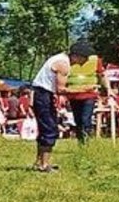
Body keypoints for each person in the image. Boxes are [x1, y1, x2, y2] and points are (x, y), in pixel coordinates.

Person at [30, 40, 96, 172]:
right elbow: (61, 89)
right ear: (77, 55)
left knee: (46, 128)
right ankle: (44, 165)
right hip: (43, 95)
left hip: (42, 94)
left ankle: (40, 162)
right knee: (50, 129)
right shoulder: (63, 65)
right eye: (85, 57)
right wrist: (85, 89)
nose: (85, 61)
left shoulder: (60, 58)